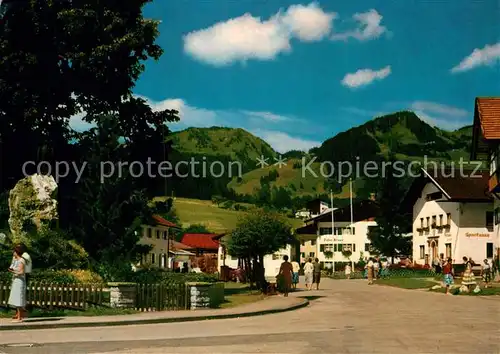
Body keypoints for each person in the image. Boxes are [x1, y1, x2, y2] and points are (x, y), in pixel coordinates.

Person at [8, 245, 27, 322]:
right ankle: (19, 315)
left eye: (14, 251)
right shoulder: (16, 260)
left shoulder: (22, 260)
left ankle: (20, 318)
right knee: (16, 297)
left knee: (19, 298)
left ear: (17, 252)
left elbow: (22, 272)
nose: (13, 253)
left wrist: (13, 271)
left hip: (20, 281)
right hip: (16, 280)